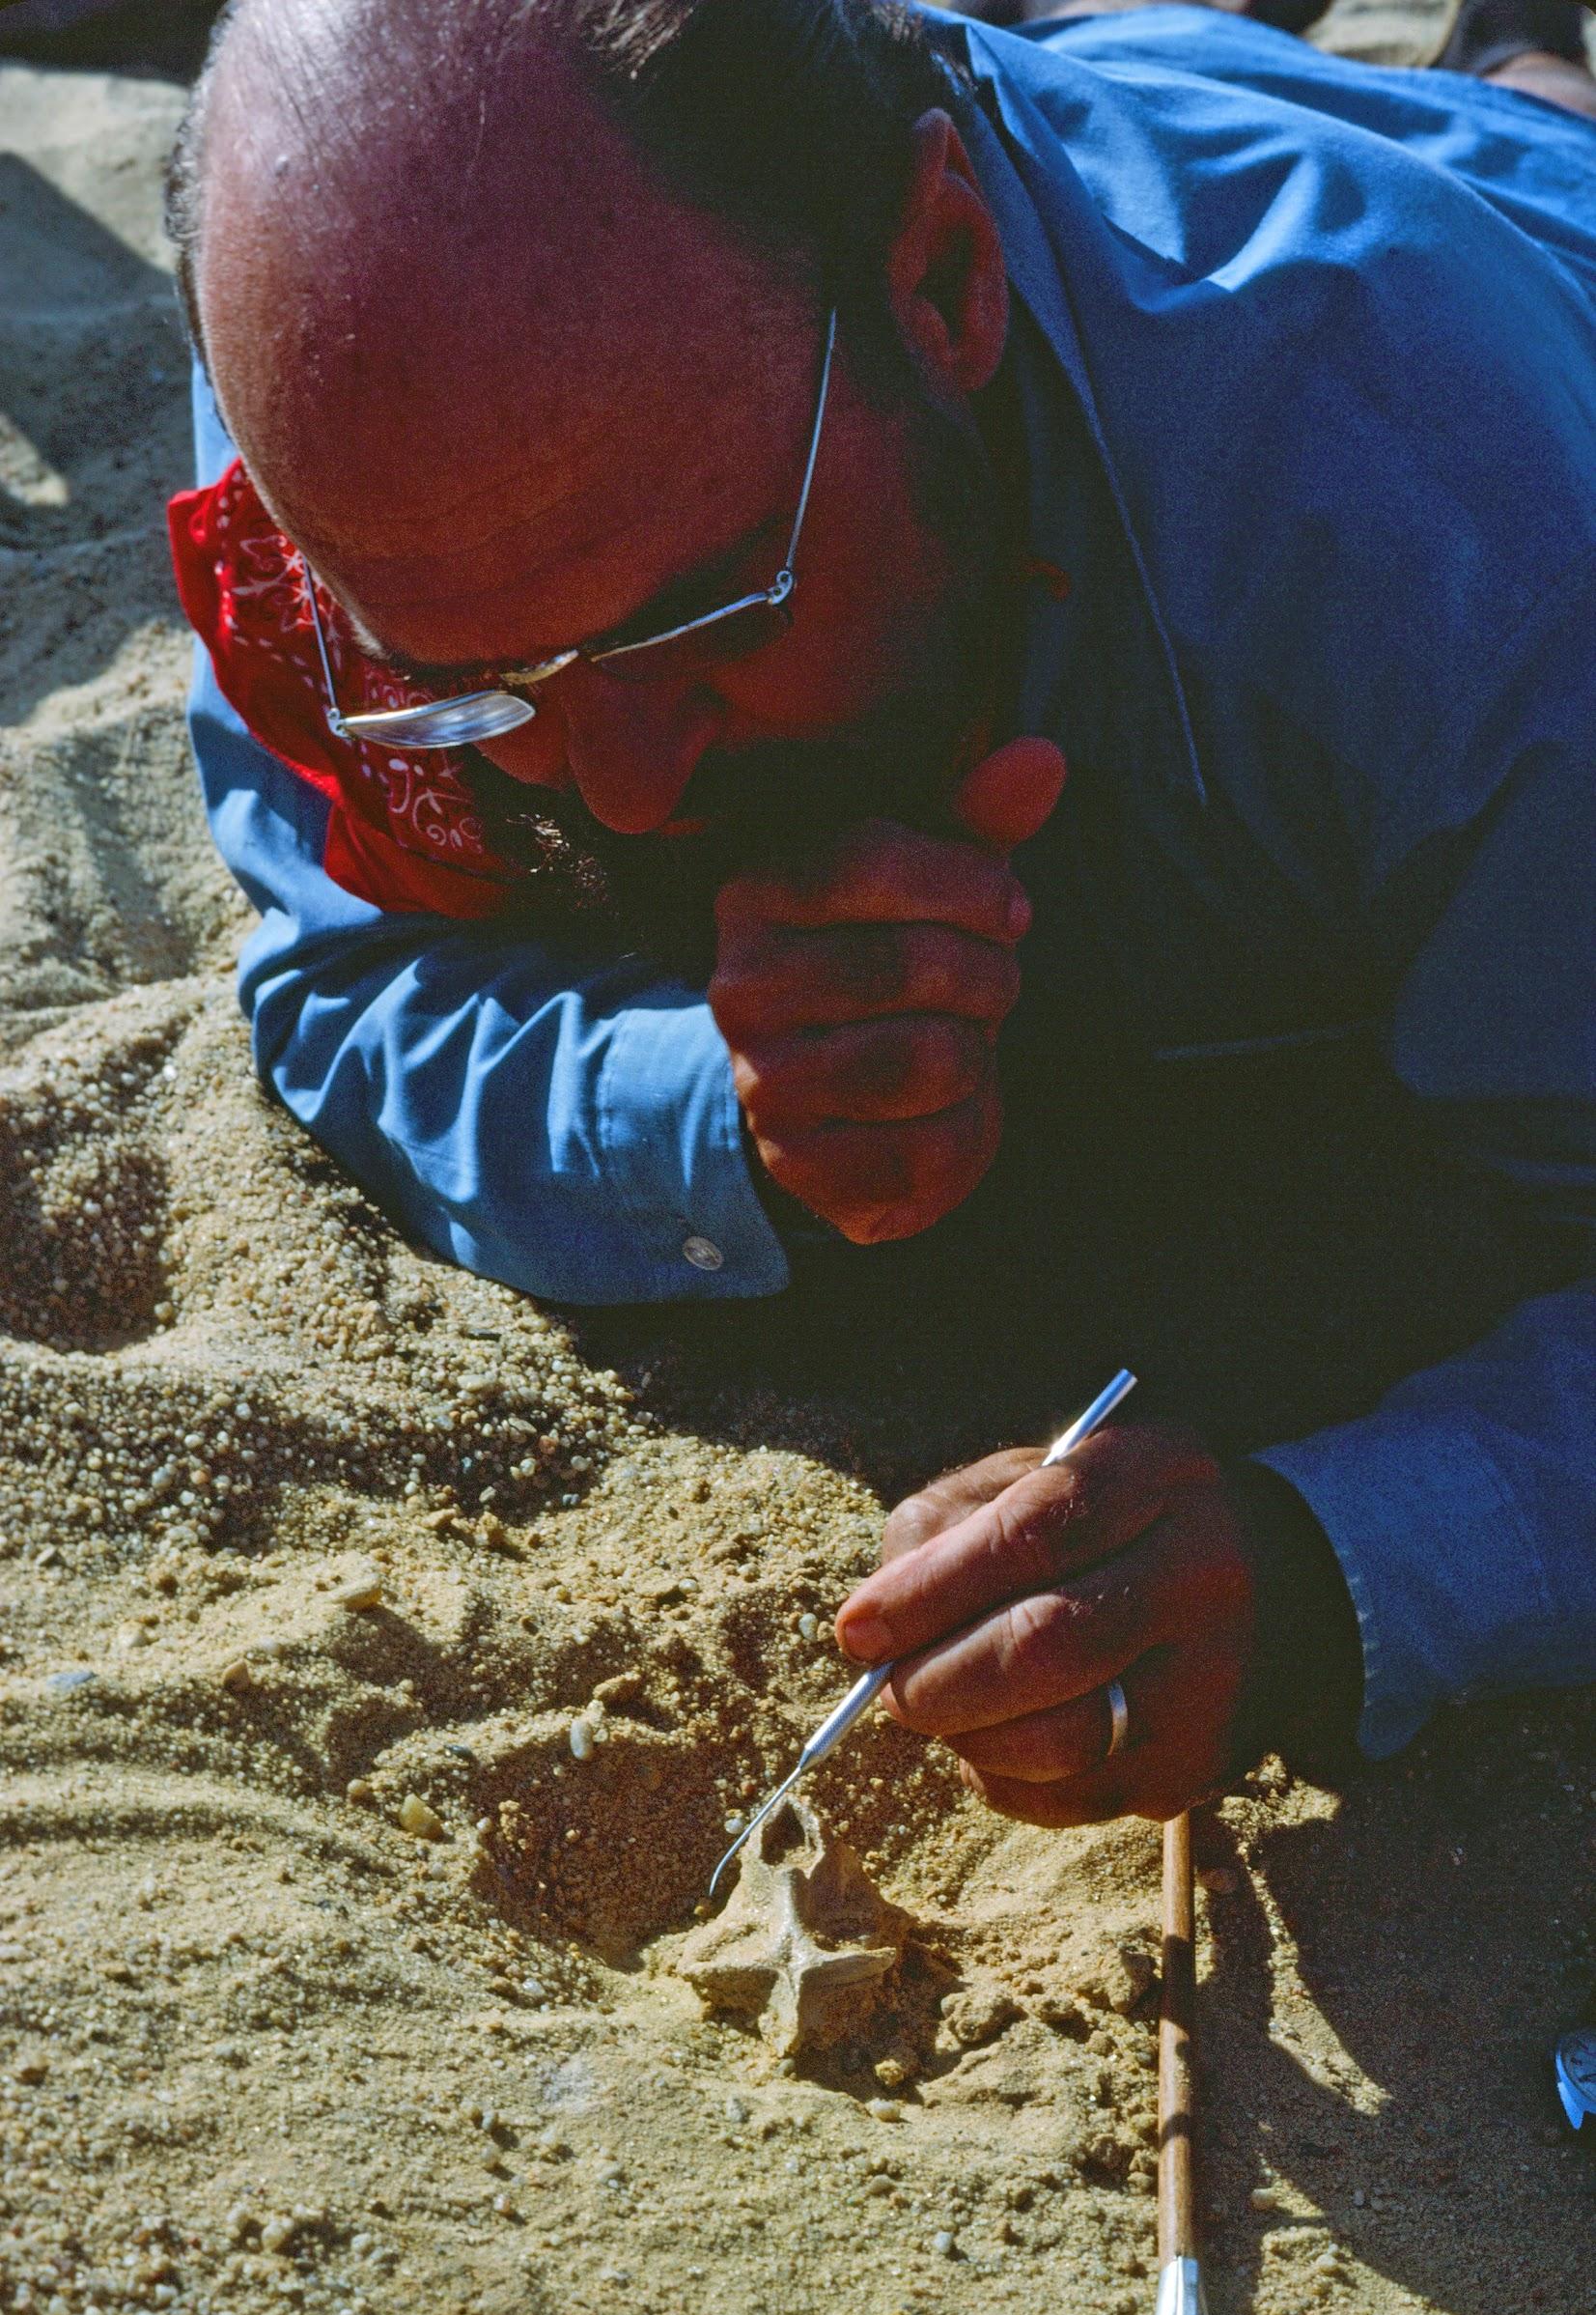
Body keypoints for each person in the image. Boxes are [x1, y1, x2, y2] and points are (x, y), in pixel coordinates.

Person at [165, 0, 1596, 1834]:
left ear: (940, 279)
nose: (616, 788)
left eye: (703, 623)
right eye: (471, 687)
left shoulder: (1463, 542)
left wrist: (1340, 1562)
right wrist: (724, 1114)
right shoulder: (357, 378)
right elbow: (347, 980)